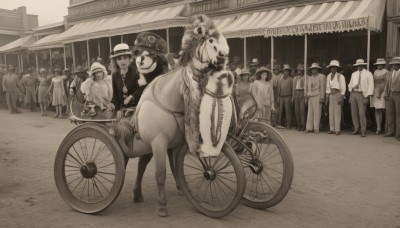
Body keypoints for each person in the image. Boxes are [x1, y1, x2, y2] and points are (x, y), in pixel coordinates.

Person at [348, 59, 374, 137]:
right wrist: (351, 93)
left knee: (362, 113)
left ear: (363, 65)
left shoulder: (368, 74)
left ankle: (363, 130)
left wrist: (367, 97)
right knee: (354, 113)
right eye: (358, 65)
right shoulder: (354, 74)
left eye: (361, 65)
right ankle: (356, 128)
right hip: (354, 93)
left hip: (362, 94)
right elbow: (350, 84)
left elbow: (371, 85)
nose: (359, 67)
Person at [110, 43, 139, 111]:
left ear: (129, 58)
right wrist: (112, 105)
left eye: (125, 58)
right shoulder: (115, 75)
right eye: (119, 59)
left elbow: (142, 89)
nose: (122, 61)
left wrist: (130, 97)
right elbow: (115, 97)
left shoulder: (136, 71)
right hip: (122, 110)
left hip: (138, 109)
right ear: (115, 61)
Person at [325, 60, 346, 135]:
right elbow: (327, 88)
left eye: (334, 67)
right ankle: (332, 128)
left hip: (337, 94)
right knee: (331, 112)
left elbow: (343, 87)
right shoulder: (328, 76)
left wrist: (341, 96)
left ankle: (337, 129)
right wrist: (327, 98)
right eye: (331, 67)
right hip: (331, 94)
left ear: (337, 68)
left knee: (337, 112)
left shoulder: (340, 76)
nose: (332, 69)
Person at [305, 63, 326, 133]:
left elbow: (323, 87)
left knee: (317, 112)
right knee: (310, 112)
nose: (313, 70)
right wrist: (307, 95)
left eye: (315, 69)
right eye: (312, 69)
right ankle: (309, 127)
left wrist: (322, 97)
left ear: (318, 69)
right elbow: (308, 88)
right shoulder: (310, 77)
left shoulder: (322, 77)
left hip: (318, 95)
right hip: (310, 96)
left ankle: (316, 128)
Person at [382, 56, 400, 140]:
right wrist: (385, 94)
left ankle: (398, 133)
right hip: (390, 94)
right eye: (394, 65)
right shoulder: (389, 73)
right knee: (390, 114)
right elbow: (386, 84)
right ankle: (390, 131)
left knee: (398, 114)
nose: (395, 66)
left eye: (397, 65)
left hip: (398, 94)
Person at [371, 58, 389, 135]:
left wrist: (381, 92)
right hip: (376, 91)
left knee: (383, 110)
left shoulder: (386, 72)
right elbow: (374, 83)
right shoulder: (375, 72)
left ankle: (385, 127)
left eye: (381, 64)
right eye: (378, 64)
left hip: (383, 92)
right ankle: (378, 127)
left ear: (383, 65)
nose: (379, 66)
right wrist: (374, 92)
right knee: (377, 109)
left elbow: (386, 83)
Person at [277, 64, 293, 129]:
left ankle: (288, 124)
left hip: (288, 96)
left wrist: (292, 97)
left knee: (287, 110)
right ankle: (280, 123)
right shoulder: (280, 79)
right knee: (280, 110)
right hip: (281, 96)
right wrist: (278, 97)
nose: (286, 72)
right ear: (283, 72)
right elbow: (278, 89)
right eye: (284, 71)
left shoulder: (291, 79)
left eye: (287, 71)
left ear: (289, 72)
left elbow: (292, 89)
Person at [292, 65, 306, 131]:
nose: (299, 71)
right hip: (296, 93)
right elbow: (293, 88)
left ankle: (303, 125)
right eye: (298, 70)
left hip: (302, 93)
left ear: (303, 71)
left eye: (300, 70)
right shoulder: (295, 78)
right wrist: (293, 97)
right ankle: (298, 125)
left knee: (302, 111)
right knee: (297, 111)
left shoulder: (305, 78)